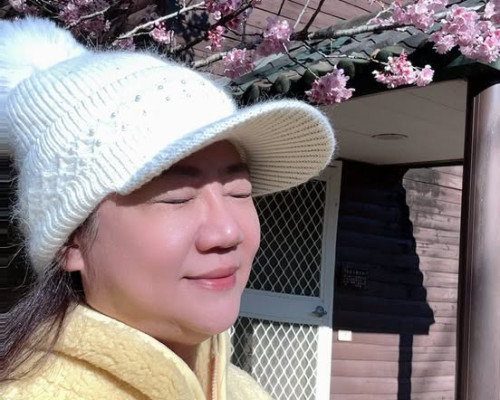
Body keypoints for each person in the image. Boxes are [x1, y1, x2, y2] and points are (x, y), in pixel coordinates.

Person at [0, 17, 335, 400]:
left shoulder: (244, 391)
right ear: (71, 242)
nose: (227, 232)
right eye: (177, 197)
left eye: (239, 192)